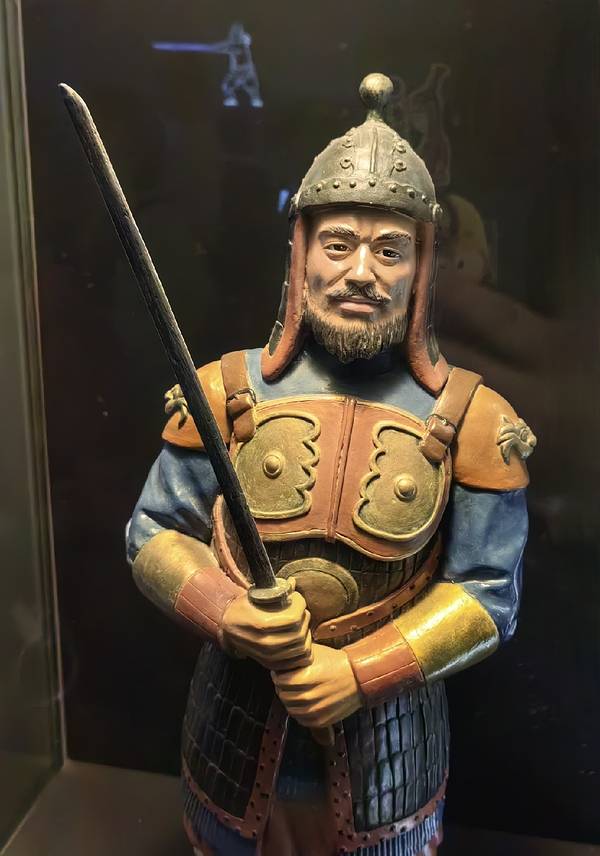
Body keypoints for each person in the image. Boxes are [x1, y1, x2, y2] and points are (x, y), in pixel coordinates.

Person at [126, 73, 535, 856]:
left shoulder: (478, 422)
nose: (361, 272)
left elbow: (487, 596)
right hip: (232, 733)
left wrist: (361, 674)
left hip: (392, 753)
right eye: (339, 244)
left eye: (390, 250)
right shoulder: (223, 391)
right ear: (301, 254)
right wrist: (228, 612)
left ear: (423, 268)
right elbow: (153, 533)